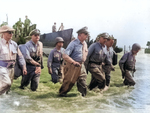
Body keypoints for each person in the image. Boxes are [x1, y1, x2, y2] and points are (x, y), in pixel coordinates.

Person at [59, 27, 89, 97]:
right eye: (85, 34)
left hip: (81, 65)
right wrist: (73, 62)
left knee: (83, 81)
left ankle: (83, 96)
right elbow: (65, 55)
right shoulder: (73, 43)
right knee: (69, 82)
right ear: (80, 34)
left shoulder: (85, 44)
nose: (87, 35)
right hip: (73, 65)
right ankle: (62, 94)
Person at [0, 25, 27, 95]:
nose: (11, 34)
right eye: (9, 32)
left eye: (12, 32)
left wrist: (24, 67)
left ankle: (4, 103)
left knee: (7, 88)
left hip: (12, 69)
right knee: (7, 83)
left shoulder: (14, 44)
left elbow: (20, 57)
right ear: (3, 33)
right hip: (2, 68)